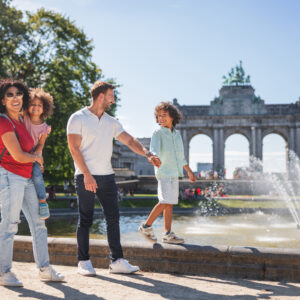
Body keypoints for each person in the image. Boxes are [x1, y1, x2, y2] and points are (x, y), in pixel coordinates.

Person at [67, 81, 161, 276]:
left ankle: (117, 260)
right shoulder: (78, 118)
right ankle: (83, 261)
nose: (113, 99)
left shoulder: (112, 121)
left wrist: (147, 153)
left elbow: (130, 140)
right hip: (85, 176)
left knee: (113, 218)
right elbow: (74, 148)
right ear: (101, 96)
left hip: (107, 176)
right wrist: (86, 174)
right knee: (86, 219)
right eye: (111, 95)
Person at [0, 79, 64, 287]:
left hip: (27, 177)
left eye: (18, 94)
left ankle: (44, 269)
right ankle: (3, 272)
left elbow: (35, 146)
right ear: (3, 100)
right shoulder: (3, 122)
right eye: (10, 94)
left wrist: (37, 154)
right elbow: (18, 155)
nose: (15, 98)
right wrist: (36, 158)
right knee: (9, 225)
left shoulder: (21, 120)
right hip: (10, 176)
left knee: (39, 223)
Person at [139, 102, 196, 244]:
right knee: (164, 201)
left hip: (174, 173)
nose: (161, 119)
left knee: (169, 204)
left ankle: (167, 234)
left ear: (172, 116)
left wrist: (189, 171)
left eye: (164, 115)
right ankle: (146, 226)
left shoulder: (177, 135)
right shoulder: (157, 133)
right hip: (163, 171)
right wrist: (155, 157)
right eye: (158, 116)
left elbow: (180, 156)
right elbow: (154, 149)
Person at [22, 88, 54, 220]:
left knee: (37, 175)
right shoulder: (24, 117)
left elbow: (41, 144)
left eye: (39, 105)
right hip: (22, 153)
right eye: (33, 104)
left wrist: (35, 156)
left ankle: (42, 201)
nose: (35, 107)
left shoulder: (44, 127)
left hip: (35, 155)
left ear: (44, 108)